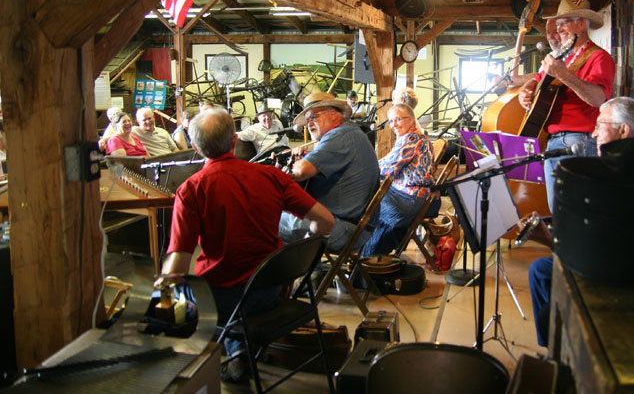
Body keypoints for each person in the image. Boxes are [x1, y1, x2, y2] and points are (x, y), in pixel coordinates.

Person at [158, 108, 335, 382]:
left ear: (194, 147)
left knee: (164, 297)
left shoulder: (192, 188)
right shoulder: (272, 176)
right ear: (234, 141)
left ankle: (212, 360)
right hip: (274, 291)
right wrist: (302, 250)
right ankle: (240, 351)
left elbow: (179, 263)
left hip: (222, 299)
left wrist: (161, 293)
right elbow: (325, 221)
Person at [528, 96, 634, 348]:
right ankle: (554, 348)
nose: (593, 134)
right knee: (540, 270)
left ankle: (558, 350)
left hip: (618, 275)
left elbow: (594, 254)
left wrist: (548, 240)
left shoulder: (615, 178)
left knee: (542, 278)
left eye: (599, 125)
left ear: (623, 129)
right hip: (621, 262)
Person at [518, 0, 616, 212]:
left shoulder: (599, 57)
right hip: (554, 142)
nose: (558, 29)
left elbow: (599, 98)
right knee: (560, 215)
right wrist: (525, 92)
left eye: (564, 23)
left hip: (579, 142)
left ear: (582, 23)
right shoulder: (562, 57)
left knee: (575, 215)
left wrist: (563, 74)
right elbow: (536, 80)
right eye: (558, 24)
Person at [279, 92, 379, 252]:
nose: (309, 124)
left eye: (314, 117)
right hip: (355, 227)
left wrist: (298, 163)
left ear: (333, 114)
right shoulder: (350, 132)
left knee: (265, 217)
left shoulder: (340, 135)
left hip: (343, 230)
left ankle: (298, 272)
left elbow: (301, 171)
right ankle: (310, 271)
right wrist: (309, 157)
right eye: (307, 120)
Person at [361, 103, 437, 257]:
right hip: (412, 196)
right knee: (368, 197)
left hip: (411, 199)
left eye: (398, 119)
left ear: (411, 120)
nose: (393, 125)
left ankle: (367, 254)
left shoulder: (412, 139)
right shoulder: (413, 138)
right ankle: (367, 248)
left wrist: (360, 169)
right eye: (391, 121)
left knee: (364, 200)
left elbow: (386, 168)